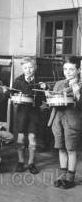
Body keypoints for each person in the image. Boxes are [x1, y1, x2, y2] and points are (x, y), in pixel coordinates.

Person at [47, 56, 82, 189]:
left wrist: (78, 94)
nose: (67, 72)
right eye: (65, 69)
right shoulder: (59, 84)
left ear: (78, 70)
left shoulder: (80, 85)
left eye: (71, 69)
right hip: (57, 120)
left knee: (71, 149)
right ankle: (62, 176)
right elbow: (52, 103)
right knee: (61, 147)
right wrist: (49, 97)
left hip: (73, 121)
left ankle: (70, 178)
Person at [12, 56, 47, 174]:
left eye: (31, 67)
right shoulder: (18, 81)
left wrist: (45, 88)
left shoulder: (40, 81)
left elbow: (44, 98)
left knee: (32, 137)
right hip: (21, 112)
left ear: (35, 67)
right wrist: (8, 93)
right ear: (22, 68)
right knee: (21, 137)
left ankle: (31, 162)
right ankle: (21, 161)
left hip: (34, 112)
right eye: (25, 67)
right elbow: (11, 95)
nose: (28, 70)